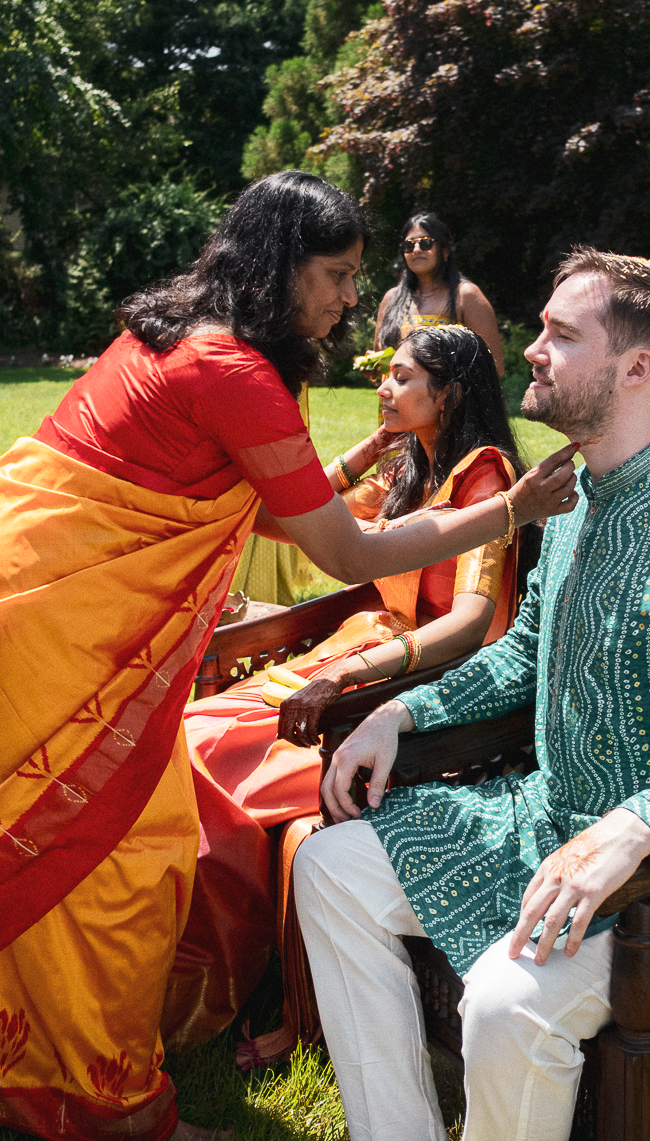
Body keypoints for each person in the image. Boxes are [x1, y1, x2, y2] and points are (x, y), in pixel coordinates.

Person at [0, 172, 578, 1141]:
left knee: (71, 836)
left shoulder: (184, 331)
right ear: (280, 267)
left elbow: (271, 503)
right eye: (337, 274)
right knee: (115, 853)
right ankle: (113, 1106)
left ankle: (44, 1062)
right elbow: (344, 552)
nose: (352, 297)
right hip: (45, 621)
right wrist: (513, 510)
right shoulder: (229, 368)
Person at [294, 247, 650, 1141]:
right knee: (329, 870)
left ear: (635, 368)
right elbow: (526, 654)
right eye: (539, 329)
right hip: (542, 826)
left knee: (505, 1005)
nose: (531, 349)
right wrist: (402, 710)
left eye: (559, 334)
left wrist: (636, 828)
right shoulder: (577, 496)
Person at [163, 327, 526, 1052]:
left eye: (400, 377)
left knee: (214, 755)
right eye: (383, 377)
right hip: (360, 650)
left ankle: (226, 978)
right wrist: (359, 457)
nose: (383, 389)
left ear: (448, 392)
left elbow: (469, 624)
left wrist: (346, 675)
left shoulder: (485, 477)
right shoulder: (408, 466)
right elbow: (281, 518)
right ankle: (190, 959)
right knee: (191, 733)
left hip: (427, 688)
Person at [374, 212, 505, 375]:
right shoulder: (391, 299)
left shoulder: (465, 296)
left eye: (425, 243)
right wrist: (373, 366)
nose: (416, 249)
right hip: (393, 399)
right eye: (409, 245)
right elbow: (381, 359)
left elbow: (494, 366)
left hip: (445, 399)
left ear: (444, 251)